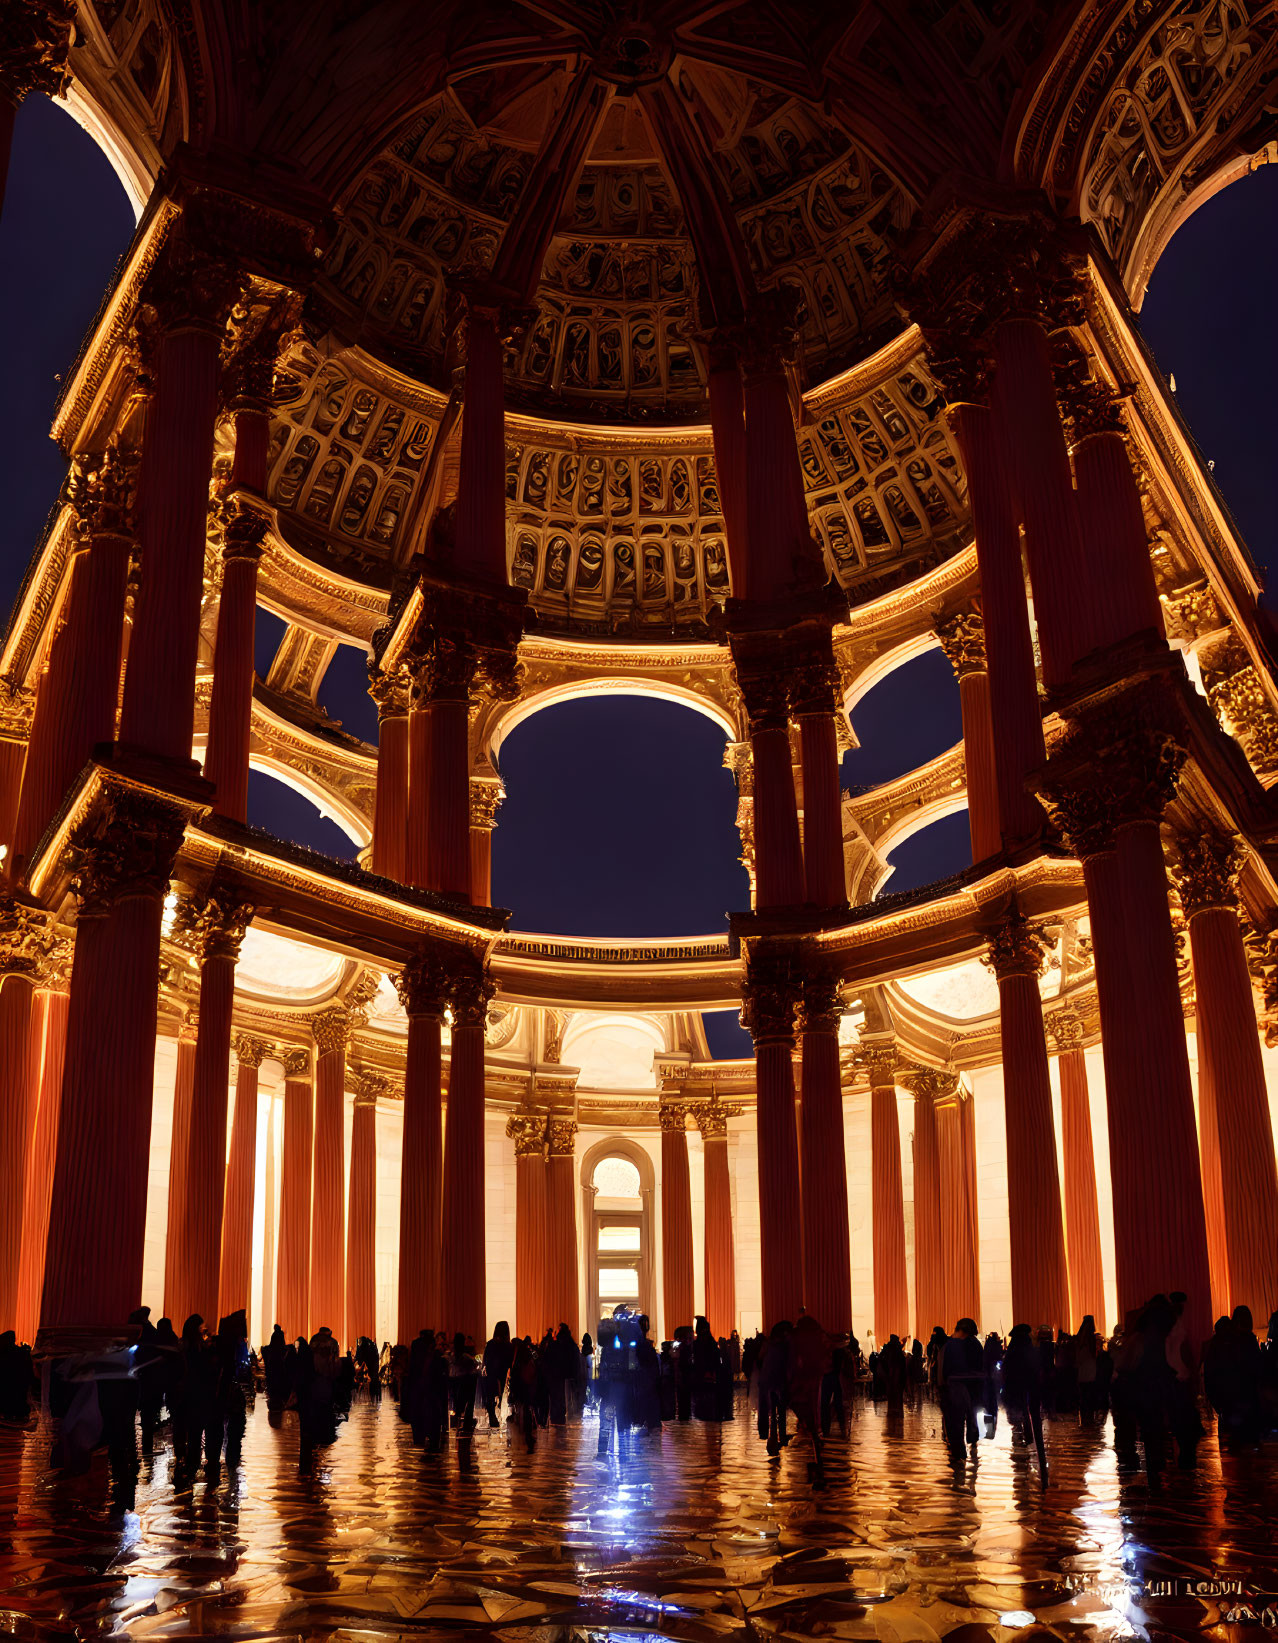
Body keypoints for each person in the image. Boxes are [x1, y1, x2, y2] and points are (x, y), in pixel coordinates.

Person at [937, 1317, 984, 1463]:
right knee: (970, 1419)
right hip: (972, 1390)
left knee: (954, 1424)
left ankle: (959, 1457)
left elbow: (942, 1371)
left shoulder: (950, 1345)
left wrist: (942, 1389)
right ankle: (971, 1443)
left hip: (954, 1390)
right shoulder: (975, 1345)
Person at [482, 1322, 513, 1428]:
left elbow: (485, 1360)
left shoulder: (490, 1343)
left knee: (490, 1396)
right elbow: (510, 1361)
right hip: (502, 1373)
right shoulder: (508, 1345)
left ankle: (492, 1416)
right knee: (500, 1396)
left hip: (491, 1373)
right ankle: (497, 1416)